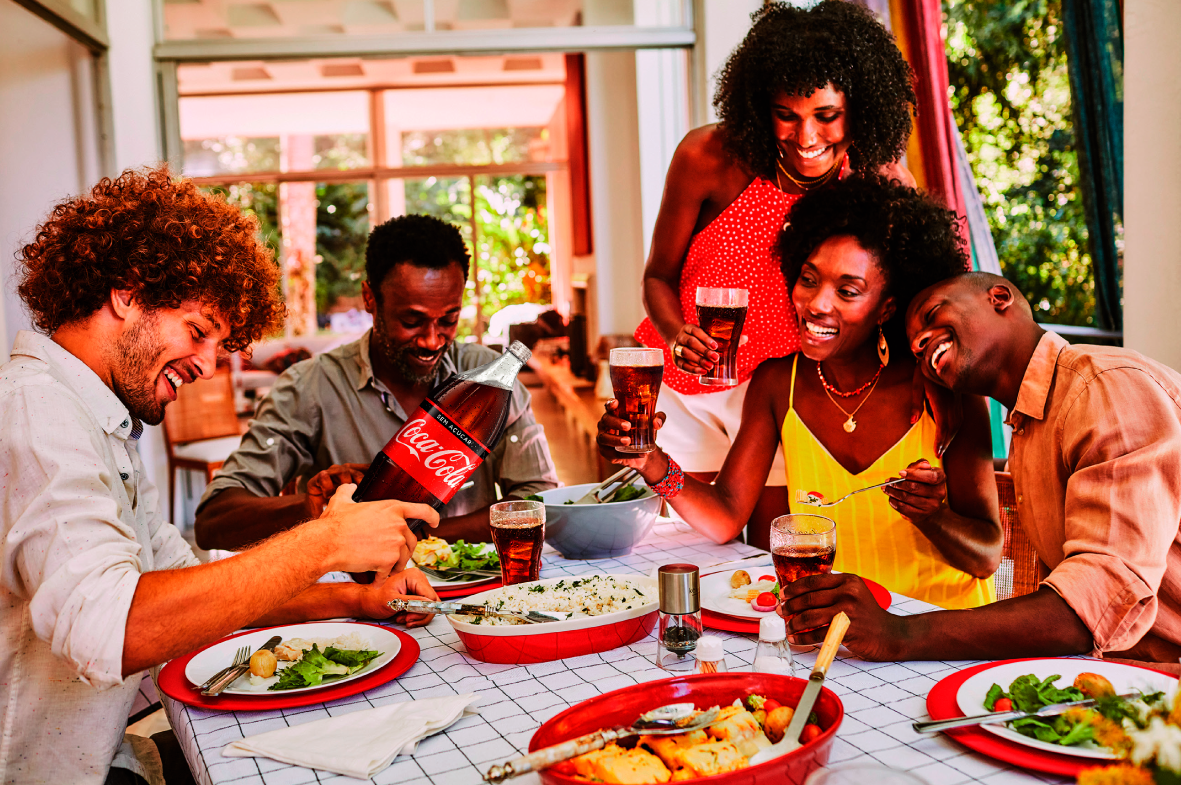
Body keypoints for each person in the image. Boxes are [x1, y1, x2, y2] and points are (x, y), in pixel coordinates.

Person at [0, 166, 440, 785]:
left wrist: (353, 598)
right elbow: (112, 627)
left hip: (112, 756)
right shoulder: (34, 411)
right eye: (200, 331)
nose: (209, 365)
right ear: (127, 294)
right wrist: (324, 543)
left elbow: (188, 590)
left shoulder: (99, 421)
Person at [600, 177, 1001, 610]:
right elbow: (724, 516)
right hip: (838, 638)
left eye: (847, 291)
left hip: (938, 634)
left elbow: (986, 556)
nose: (817, 304)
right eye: (809, 279)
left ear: (887, 306)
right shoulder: (779, 383)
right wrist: (652, 463)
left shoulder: (943, 389)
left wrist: (934, 517)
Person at [779, 272, 1181, 668]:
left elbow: (1095, 599)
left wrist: (898, 634)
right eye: (915, 352)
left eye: (933, 314)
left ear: (999, 298)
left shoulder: (1104, 385)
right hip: (1107, 672)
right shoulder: (1030, 425)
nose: (919, 343)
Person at [634, 0, 919, 535]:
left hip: (786, 393)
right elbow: (657, 277)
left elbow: (919, 292)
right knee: (698, 548)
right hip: (689, 388)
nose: (806, 137)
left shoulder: (878, 177)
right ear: (760, 107)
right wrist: (677, 335)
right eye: (786, 114)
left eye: (826, 116)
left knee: (774, 550)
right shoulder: (709, 157)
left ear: (858, 106)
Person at [194, 214, 559, 550]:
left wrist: (412, 536)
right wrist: (314, 506)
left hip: (476, 596)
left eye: (448, 319)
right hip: (355, 606)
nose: (432, 340)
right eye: (412, 321)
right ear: (370, 298)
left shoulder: (493, 383)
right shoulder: (310, 388)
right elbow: (213, 522)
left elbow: (541, 505)